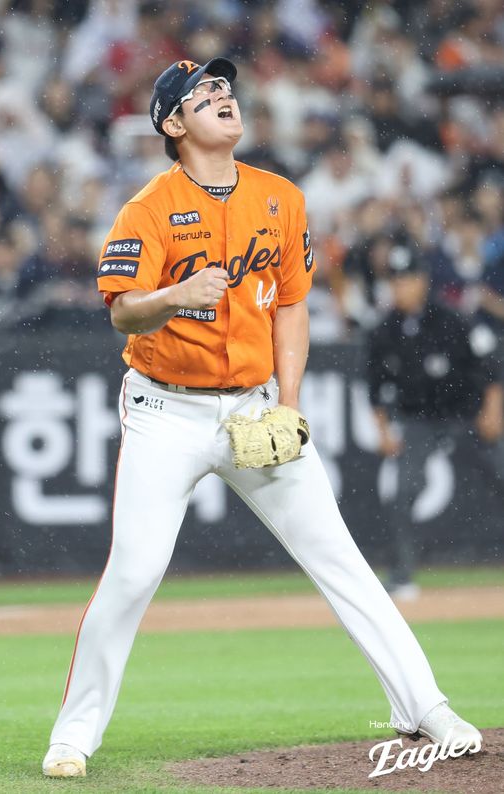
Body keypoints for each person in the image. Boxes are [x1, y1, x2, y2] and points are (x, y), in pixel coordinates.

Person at [42, 57, 482, 778]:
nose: (223, 95)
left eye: (224, 86)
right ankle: (73, 736)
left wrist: (290, 401)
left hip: (254, 407)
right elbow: (123, 310)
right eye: (202, 93)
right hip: (166, 411)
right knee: (135, 571)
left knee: (339, 556)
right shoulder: (147, 209)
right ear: (172, 123)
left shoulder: (281, 198)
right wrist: (175, 296)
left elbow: (292, 304)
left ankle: (424, 707)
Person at [368, 242, 503, 598]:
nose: (400, 287)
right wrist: (383, 431)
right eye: (395, 280)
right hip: (419, 420)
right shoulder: (384, 330)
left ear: (422, 281)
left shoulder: (453, 318)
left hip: (467, 414)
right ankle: (402, 577)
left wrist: (493, 410)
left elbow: (491, 365)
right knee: (402, 493)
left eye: (407, 279)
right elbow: (375, 388)